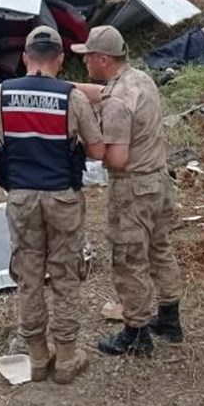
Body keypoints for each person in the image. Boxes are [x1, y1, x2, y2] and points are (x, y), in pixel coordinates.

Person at [0, 27, 104, 384]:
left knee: (28, 276)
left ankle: (37, 355)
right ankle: (66, 357)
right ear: (61, 60)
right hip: (63, 197)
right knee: (65, 275)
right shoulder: (72, 98)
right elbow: (96, 151)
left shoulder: (0, 94)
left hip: (20, 197)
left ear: (25, 58)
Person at [71, 26, 184, 357]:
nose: (85, 61)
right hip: (159, 183)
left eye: (88, 56)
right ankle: (169, 319)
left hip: (133, 189)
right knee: (159, 249)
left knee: (128, 259)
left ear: (103, 59)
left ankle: (135, 333)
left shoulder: (117, 103)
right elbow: (104, 93)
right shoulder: (139, 79)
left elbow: (116, 158)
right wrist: (70, 89)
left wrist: (86, 143)